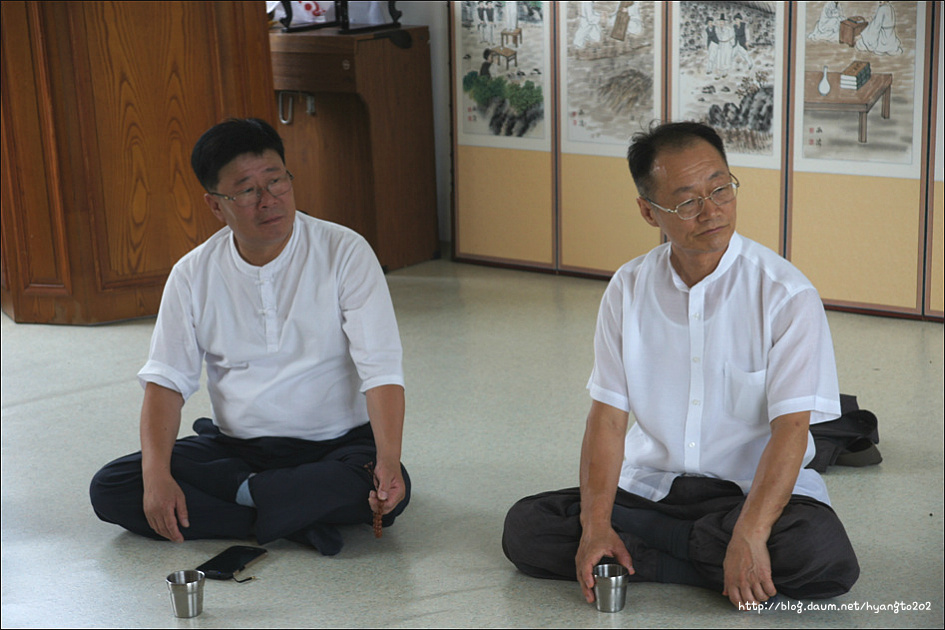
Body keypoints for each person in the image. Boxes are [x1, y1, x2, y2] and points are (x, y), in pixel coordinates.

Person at [502, 121, 859, 609]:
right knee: (527, 526)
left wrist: (751, 534)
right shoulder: (627, 290)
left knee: (816, 549)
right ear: (649, 212)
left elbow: (792, 429)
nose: (711, 211)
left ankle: (660, 560)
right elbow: (607, 419)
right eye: (687, 201)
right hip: (651, 491)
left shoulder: (785, 295)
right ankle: (706, 565)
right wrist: (598, 526)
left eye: (721, 189)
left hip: (746, 496)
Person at [89, 118, 410, 556]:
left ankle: (250, 504)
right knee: (114, 487)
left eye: (276, 181)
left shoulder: (345, 252)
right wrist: (156, 477)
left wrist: (388, 459)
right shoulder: (192, 273)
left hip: (337, 447)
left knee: (382, 492)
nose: (269, 200)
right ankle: (291, 517)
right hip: (235, 450)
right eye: (246, 190)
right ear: (216, 205)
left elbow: (381, 369)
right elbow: (166, 384)